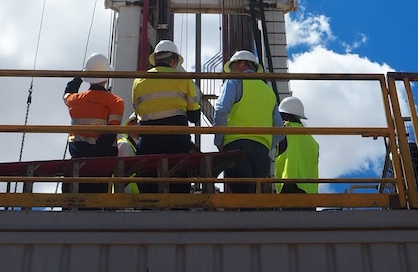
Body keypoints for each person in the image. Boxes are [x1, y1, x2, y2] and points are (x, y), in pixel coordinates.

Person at [132, 39, 201, 193]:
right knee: (180, 177)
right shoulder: (184, 79)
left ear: (155, 60)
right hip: (176, 138)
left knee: (147, 176)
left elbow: (137, 113)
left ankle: (149, 205)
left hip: (149, 139)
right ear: (174, 61)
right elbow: (194, 116)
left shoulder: (139, 80)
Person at [214, 50, 283, 194]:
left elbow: (221, 110)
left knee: (242, 196)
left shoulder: (235, 81)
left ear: (242, 64)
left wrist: (219, 140)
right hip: (262, 151)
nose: (231, 71)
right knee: (254, 197)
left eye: (232, 66)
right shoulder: (268, 92)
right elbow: (280, 130)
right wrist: (267, 144)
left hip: (237, 145)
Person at [63, 53, 125, 193]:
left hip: (78, 157)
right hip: (101, 160)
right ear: (107, 77)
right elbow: (109, 135)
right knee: (97, 201)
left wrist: (80, 75)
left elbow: (67, 92)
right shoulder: (116, 102)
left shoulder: (75, 100)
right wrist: (91, 157)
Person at [275, 96, 319, 196]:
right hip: (310, 193)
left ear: (285, 115)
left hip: (290, 185)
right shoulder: (312, 141)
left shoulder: (285, 129)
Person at [116, 113, 140, 194]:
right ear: (129, 124)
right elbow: (121, 175)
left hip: (136, 198)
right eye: (136, 121)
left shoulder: (136, 145)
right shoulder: (124, 145)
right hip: (128, 198)